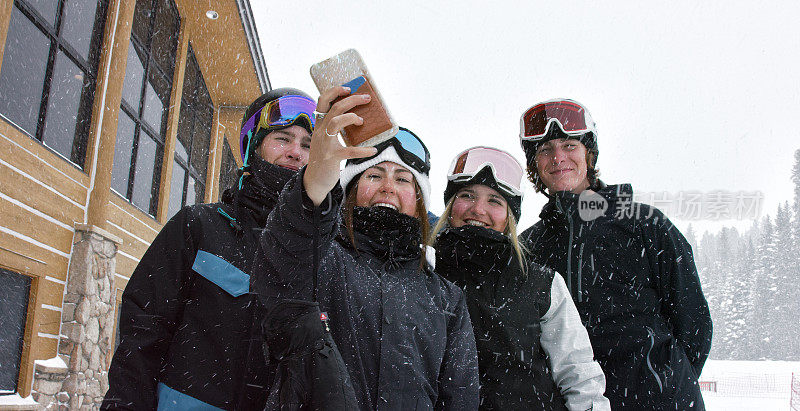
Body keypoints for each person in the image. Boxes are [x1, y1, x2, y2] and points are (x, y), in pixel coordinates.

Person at [250, 86, 480, 410]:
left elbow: (459, 400)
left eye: (403, 179)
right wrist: (314, 180)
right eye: (374, 175)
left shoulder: (447, 300)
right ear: (352, 190)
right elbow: (278, 275)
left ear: (418, 201)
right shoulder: (322, 258)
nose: (388, 187)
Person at [102, 88, 317, 409]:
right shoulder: (199, 227)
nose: (296, 152)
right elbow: (143, 336)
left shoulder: (320, 254)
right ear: (252, 148)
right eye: (283, 139)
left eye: (307, 145)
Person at [518, 99, 713, 410]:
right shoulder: (529, 245)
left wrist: (666, 383)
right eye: (544, 150)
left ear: (589, 154)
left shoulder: (645, 224)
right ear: (535, 165)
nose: (557, 158)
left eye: (569, 146)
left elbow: (693, 322)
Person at [430, 146, 610, 410]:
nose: (478, 209)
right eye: (467, 196)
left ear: (509, 218)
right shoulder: (425, 272)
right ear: (450, 207)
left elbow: (579, 374)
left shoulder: (541, 283)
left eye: (494, 201)